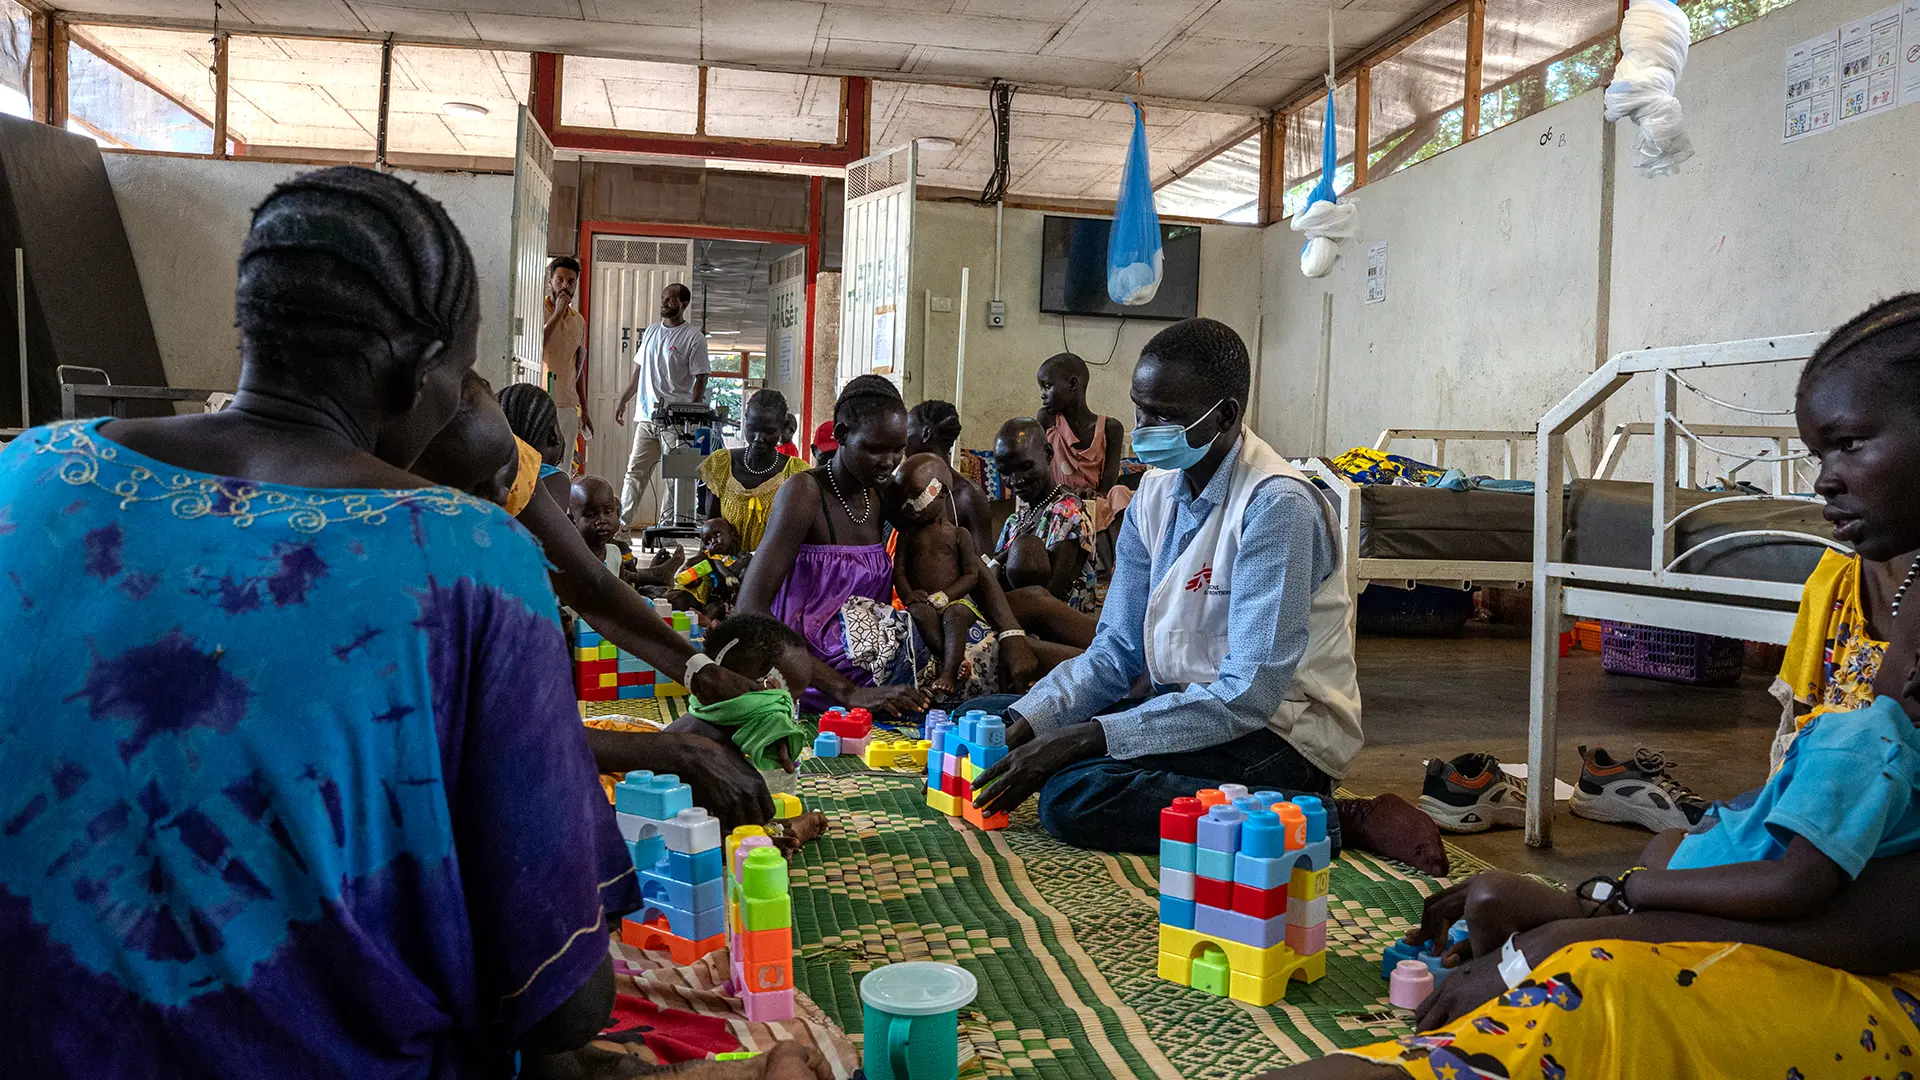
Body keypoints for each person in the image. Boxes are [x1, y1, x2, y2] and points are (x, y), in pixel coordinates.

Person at [0, 166, 634, 1076]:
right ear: (419, 372)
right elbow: (566, 1001)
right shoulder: (465, 556)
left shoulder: (31, 473)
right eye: (458, 385)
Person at [1267, 294, 1920, 1080]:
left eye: (1848, 445)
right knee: (1605, 928)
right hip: (1786, 916)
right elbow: (1792, 807)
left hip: (1872, 965)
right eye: (1818, 453)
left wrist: (1601, 923)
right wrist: (1612, 898)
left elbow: (1877, 914)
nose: (1823, 484)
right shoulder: (1843, 583)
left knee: (1594, 992)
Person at [964, 319, 1362, 859]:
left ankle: (1315, 816)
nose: (1145, 427)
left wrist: (1091, 736)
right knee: (987, 719)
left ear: (1225, 415)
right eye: (1139, 408)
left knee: (1074, 793)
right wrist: (1029, 720)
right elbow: (1115, 652)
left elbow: (1247, 696)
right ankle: (1054, 736)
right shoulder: (1153, 494)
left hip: (1278, 732)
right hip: (1184, 706)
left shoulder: (1276, 508)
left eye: (1165, 416)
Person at [417, 376, 773, 832]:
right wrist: (676, 752)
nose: (504, 506)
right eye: (479, 494)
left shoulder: (499, 468)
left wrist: (701, 672)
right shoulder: (408, 576)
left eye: (508, 484)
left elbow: (591, 585)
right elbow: (492, 733)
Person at [740, 376, 999, 715]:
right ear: (842, 434)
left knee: (1002, 634)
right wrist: (848, 693)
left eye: (897, 450)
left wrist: (1012, 631)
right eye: (875, 449)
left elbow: (953, 547)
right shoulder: (804, 494)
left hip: (875, 647)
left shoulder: (880, 492)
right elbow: (749, 608)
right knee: (984, 658)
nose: (889, 462)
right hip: (818, 666)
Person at [892, 453, 993, 697]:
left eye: (916, 496)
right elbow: (900, 570)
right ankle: (953, 660)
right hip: (924, 601)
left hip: (956, 601)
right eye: (904, 499)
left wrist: (947, 596)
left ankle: (948, 672)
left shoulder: (959, 535)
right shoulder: (907, 534)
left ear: (942, 492)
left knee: (955, 614)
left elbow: (971, 575)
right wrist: (909, 595)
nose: (909, 506)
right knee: (919, 613)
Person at [614, 282, 709, 531]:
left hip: (676, 423)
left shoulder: (693, 337)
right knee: (635, 472)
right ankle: (621, 527)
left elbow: (701, 377)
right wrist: (623, 399)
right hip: (647, 419)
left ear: (684, 304)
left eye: (670, 299)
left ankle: (667, 531)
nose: (664, 303)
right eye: (663, 298)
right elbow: (639, 371)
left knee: (674, 480)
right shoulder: (651, 333)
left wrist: (693, 412)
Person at [991, 416, 1099, 622]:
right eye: (1005, 472)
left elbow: (1051, 596)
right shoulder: (1016, 520)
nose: (1016, 480)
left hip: (1058, 630)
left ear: (1048, 454)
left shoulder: (1068, 512)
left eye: (1025, 466)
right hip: (1017, 619)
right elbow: (992, 578)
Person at [700, 388, 810, 552]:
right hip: (725, 569)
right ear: (745, 421)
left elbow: (799, 540)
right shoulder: (720, 465)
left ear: (783, 427)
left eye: (768, 431)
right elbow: (708, 535)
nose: (758, 438)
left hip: (775, 574)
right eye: (752, 428)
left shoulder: (796, 473)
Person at [1036, 350, 1133, 532]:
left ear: (1073, 384)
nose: (1042, 394)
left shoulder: (1111, 428)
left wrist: (1093, 496)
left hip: (1096, 505)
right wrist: (1065, 492)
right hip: (1059, 502)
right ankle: (1102, 557)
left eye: (1047, 386)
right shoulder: (1048, 421)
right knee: (1068, 508)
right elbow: (1041, 472)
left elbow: (1108, 483)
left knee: (1120, 492)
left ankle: (1116, 555)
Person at [905, 399, 993, 553]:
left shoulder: (968, 496)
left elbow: (985, 562)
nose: (902, 440)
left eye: (906, 431)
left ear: (926, 434)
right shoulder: (904, 489)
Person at [568, 473, 681, 588]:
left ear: (617, 513)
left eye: (608, 512)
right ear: (572, 521)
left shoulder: (615, 553)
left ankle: (655, 576)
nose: (602, 520)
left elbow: (625, 590)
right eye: (591, 515)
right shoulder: (571, 557)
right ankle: (655, 576)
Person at [541, 255, 589, 460]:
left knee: (564, 466)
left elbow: (579, 366)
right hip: (540, 402)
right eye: (559, 280)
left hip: (568, 405)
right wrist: (557, 313)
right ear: (550, 281)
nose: (565, 286)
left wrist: (585, 410)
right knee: (538, 465)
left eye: (571, 282)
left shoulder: (579, 321)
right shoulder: (537, 311)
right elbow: (536, 345)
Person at [669, 517, 750, 619]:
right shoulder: (708, 556)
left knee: (717, 608)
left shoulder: (740, 557)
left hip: (721, 600)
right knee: (678, 600)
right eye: (708, 541)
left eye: (717, 534)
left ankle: (707, 622)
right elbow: (686, 570)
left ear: (733, 535)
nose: (713, 541)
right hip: (700, 596)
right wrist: (690, 577)